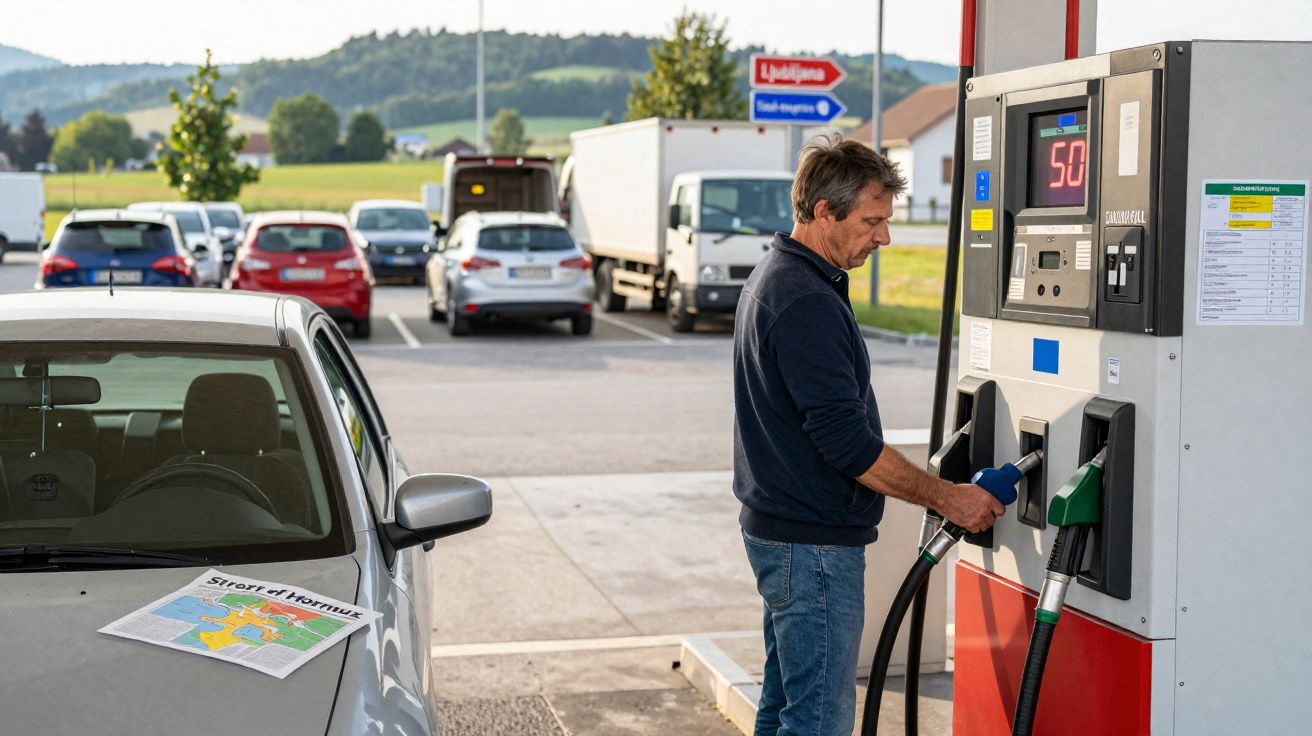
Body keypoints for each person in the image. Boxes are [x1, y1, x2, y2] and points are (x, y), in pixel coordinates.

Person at [733, 133, 1003, 736]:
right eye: (872, 221)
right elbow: (846, 444)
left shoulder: (781, 278)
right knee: (820, 720)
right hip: (813, 550)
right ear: (824, 212)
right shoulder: (804, 299)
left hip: (784, 534)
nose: (884, 237)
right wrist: (947, 496)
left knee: (785, 708)